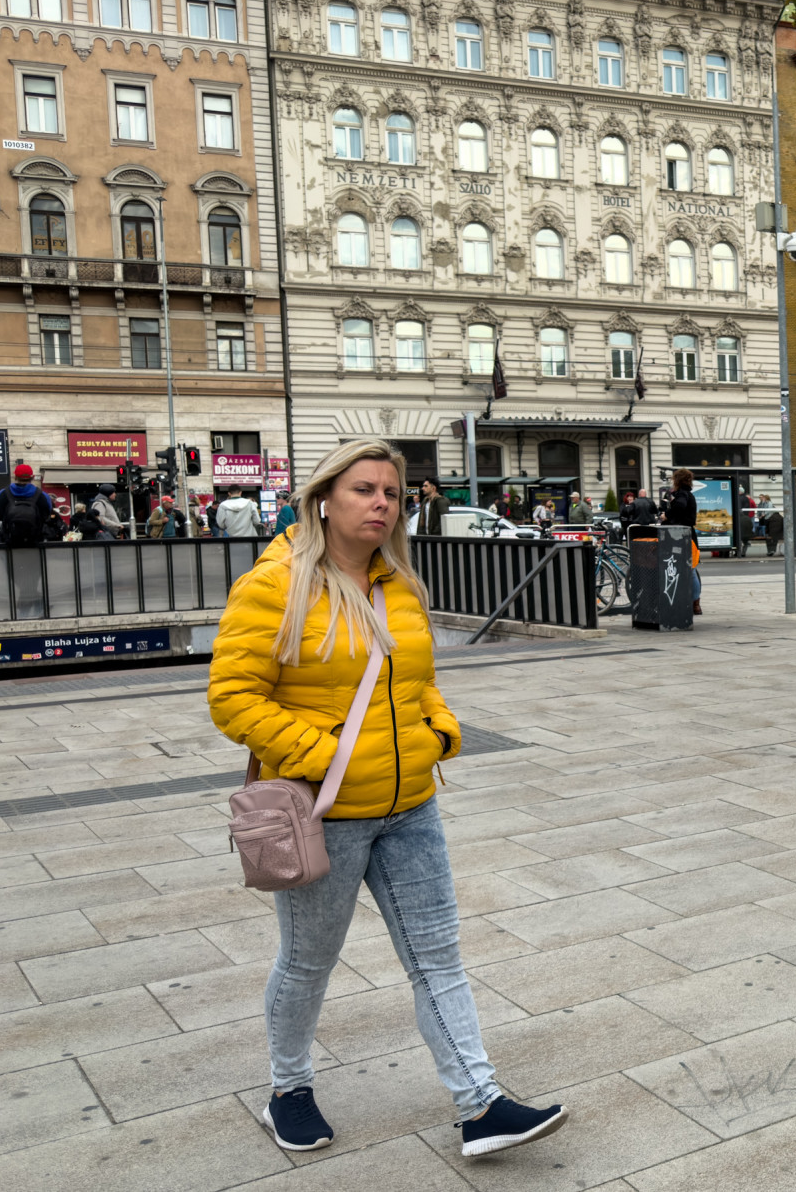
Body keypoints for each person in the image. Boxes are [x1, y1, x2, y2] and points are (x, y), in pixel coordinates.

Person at [208, 438, 568, 1158]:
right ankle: (288, 1089)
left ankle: (481, 1104)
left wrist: (439, 729)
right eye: (364, 489)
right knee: (308, 961)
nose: (381, 504)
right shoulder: (275, 584)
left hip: (410, 807)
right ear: (323, 500)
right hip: (326, 812)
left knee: (437, 957)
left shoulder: (397, 582)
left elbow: (418, 677)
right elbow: (232, 697)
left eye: (392, 494)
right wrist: (323, 757)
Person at [662, 471, 701, 614]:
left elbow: (680, 506)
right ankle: (694, 603)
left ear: (677, 480)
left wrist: (666, 515)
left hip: (682, 537)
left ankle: (695, 604)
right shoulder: (688, 494)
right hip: (688, 535)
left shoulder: (682, 494)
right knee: (690, 569)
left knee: (690, 570)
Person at [0, 464, 59, 546]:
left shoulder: (2, 494)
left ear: (15, 477)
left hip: (10, 543)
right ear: (32, 477)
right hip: (35, 543)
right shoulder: (42, 495)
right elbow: (47, 516)